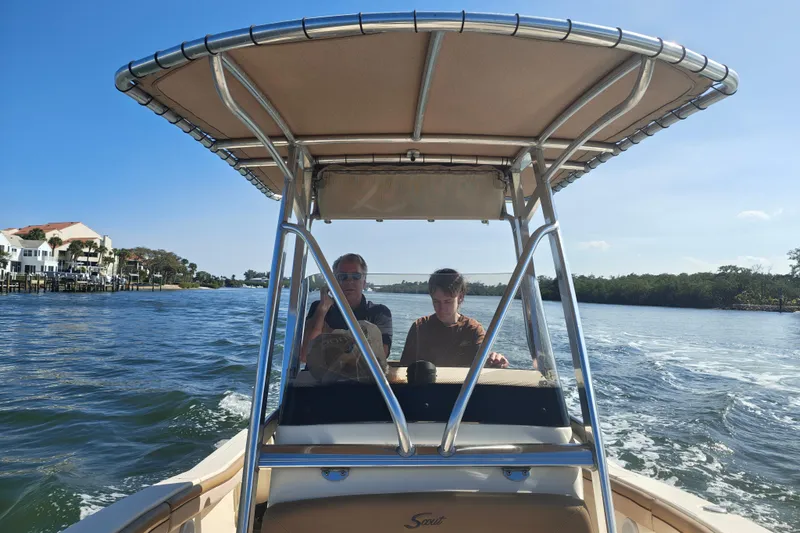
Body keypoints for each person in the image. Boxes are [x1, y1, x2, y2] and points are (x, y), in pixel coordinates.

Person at [400, 268, 509, 368]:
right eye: (436, 301)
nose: (441, 308)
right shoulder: (420, 326)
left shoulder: (473, 329)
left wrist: (495, 360)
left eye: (448, 301)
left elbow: (483, 358)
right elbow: (405, 367)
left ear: (460, 297)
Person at [301, 253, 392, 363]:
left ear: (364, 282)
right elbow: (305, 355)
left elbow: (380, 355)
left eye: (356, 276)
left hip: (362, 378)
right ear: (334, 282)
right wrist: (322, 311)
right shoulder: (318, 308)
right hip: (319, 378)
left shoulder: (379, 313)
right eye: (343, 277)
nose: (350, 281)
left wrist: (331, 336)